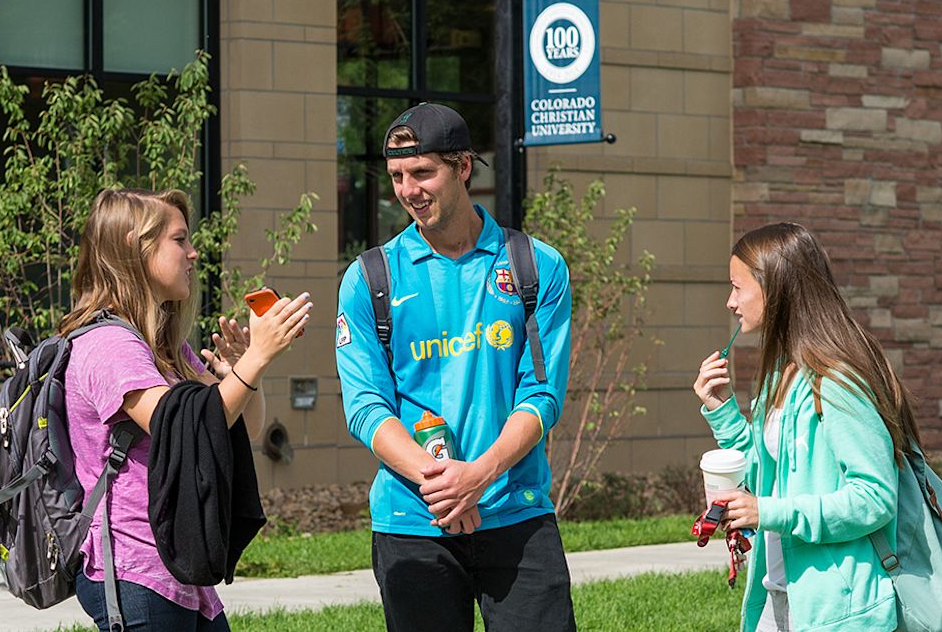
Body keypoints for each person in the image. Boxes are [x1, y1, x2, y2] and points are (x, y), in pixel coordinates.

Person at [335, 102, 577, 631]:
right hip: (411, 521)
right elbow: (365, 407)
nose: (408, 190)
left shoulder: (534, 266)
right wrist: (445, 486)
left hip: (516, 513)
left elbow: (541, 394)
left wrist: (479, 475)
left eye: (423, 172)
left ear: (463, 166)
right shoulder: (369, 279)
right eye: (398, 176)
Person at [59, 188, 311, 631]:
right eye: (179, 240)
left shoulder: (162, 346)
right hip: (134, 567)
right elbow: (181, 425)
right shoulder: (107, 345)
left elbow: (237, 427)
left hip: (177, 566)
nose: (193, 253)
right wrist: (255, 361)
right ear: (134, 248)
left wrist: (242, 372)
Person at [691, 222, 925, 632]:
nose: (730, 302)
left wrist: (769, 511)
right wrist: (722, 411)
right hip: (779, 593)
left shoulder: (836, 381)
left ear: (775, 288)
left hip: (838, 611)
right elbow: (766, 472)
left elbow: (874, 497)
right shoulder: (782, 374)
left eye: (737, 287)